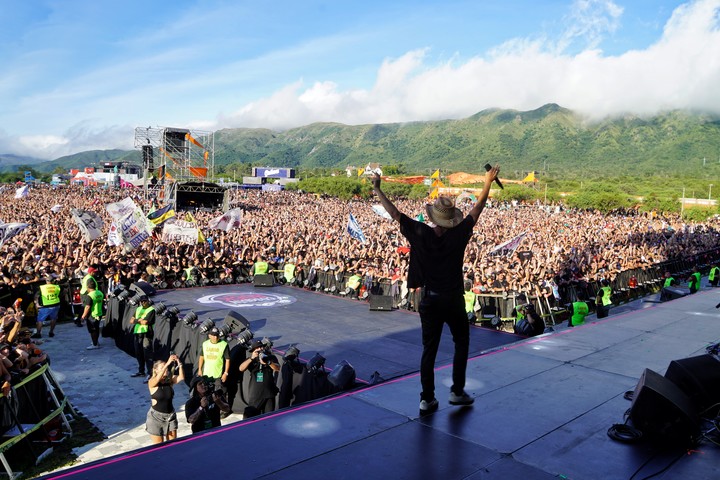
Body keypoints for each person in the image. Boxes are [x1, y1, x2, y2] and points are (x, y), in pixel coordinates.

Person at [372, 166, 499, 415]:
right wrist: (488, 182)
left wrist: (377, 189)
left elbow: (395, 214)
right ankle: (457, 391)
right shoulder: (459, 235)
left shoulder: (420, 233)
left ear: (433, 217)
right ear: (452, 219)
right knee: (461, 341)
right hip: (453, 299)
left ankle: (427, 399)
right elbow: (478, 208)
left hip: (429, 299)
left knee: (429, 350)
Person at [146, 354, 184, 444]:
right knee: (159, 448)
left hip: (170, 416)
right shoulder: (152, 382)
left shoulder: (169, 380)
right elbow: (157, 379)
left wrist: (180, 364)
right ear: (155, 370)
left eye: (166, 368)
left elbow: (181, 377)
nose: (166, 369)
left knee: (173, 445)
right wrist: (167, 363)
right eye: (162, 367)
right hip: (156, 418)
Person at [239, 339, 280, 414]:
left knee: (268, 417)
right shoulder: (251, 360)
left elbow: (277, 368)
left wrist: (268, 362)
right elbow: (241, 368)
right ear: (254, 350)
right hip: (256, 394)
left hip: (269, 393)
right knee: (251, 416)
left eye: (261, 347)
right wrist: (251, 358)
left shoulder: (270, 357)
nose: (260, 349)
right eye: (257, 348)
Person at [197, 327, 230, 395]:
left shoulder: (224, 344)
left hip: (217, 375)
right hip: (206, 374)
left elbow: (227, 360)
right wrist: (200, 369)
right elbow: (201, 357)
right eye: (214, 335)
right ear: (209, 336)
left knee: (218, 395)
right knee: (206, 393)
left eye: (217, 335)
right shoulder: (205, 344)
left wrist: (226, 373)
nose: (215, 337)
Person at [129, 296, 156, 381]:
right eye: (142, 301)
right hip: (137, 333)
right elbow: (131, 320)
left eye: (145, 301)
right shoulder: (138, 309)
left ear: (148, 301)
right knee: (138, 353)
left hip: (146, 334)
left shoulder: (151, 310)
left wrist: (137, 320)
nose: (143, 303)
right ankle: (141, 371)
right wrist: (139, 320)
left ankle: (150, 373)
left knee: (147, 354)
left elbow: (145, 322)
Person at [80, 278, 104, 350]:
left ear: (88, 287)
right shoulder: (100, 293)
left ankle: (95, 344)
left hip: (92, 315)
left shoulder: (90, 295)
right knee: (96, 328)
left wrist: (83, 316)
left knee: (93, 330)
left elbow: (87, 307)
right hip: (99, 313)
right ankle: (96, 341)